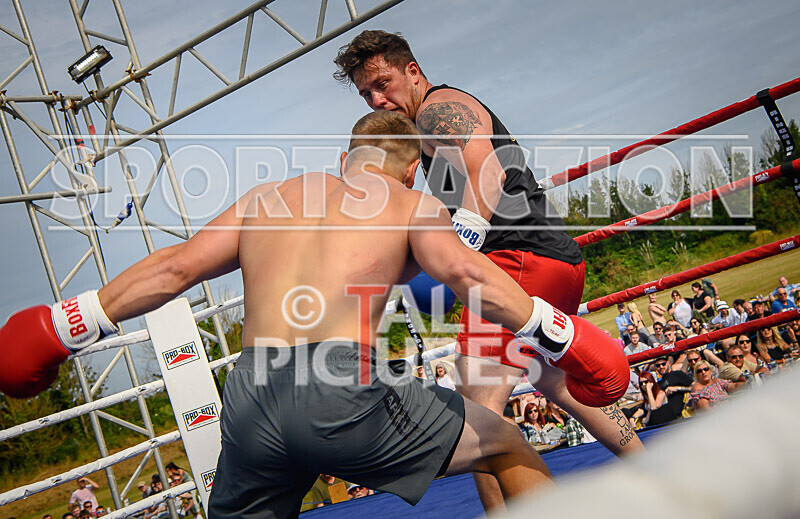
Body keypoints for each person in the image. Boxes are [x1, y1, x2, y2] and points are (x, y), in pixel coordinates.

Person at [0, 111, 628, 516]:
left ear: (346, 157)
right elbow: (466, 275)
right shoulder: (407, 200)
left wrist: (64, 325)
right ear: (411, 165)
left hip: (249, 397)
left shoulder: (267, 197)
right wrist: (560, 333)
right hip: (337, 388)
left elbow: (175, 269)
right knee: (507, 445)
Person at [334, 28, 640, 510]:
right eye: (366, 93)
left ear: (412, 71)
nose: (377, 99)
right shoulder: (432, 120)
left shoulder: (438, 109)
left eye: (383, 82)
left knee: (478, 412)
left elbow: (489, 172)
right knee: (547, 375)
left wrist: (464, 250)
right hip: (551, 258)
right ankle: (653, 468)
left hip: (518, 261)